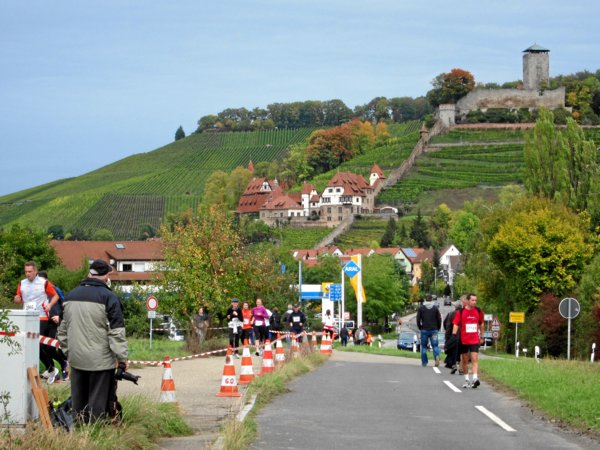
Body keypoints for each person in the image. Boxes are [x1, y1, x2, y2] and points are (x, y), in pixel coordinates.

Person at [57, 259, 128, 422]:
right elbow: (116, 332)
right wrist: (122, 359)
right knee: (98, 404)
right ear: (107, 276)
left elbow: (62, 330)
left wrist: (69, 352)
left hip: (76, 359)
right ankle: (95, 432)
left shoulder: (70, 296)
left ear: (89, 273)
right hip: (101, 362)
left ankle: (79, 430)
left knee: (78, 402)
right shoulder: (109, 297)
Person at [14, 261, 60, 383]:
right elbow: (18, 298)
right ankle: (50, 368)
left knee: (37, 343)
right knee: (31, 344)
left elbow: (56, 296)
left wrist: (50, 305)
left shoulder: (43, 283)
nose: (27, 274)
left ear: (35, 271)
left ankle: (51, 367)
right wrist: (17, 299)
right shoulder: (22, 283)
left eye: (30, 271)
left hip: (41, 316)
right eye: (26, 272)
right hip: (27, 316)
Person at [38, 270, 69, 382]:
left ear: (46, 280)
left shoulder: (54, 289)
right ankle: (50, 369)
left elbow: (65, 305)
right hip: (42, 322)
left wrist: (59, 317)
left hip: (53, 323)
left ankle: (63, 364)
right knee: (39, 348)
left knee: (50, 348)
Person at [451, 293, 484, 389]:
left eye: (475, 300)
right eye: (473, 300)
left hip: (474, 339)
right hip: (464, 340)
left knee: (474, 358)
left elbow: (481, 324)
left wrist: (482, 336)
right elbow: (455, 324)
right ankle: (466, 380)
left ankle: (475, 378)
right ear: (468, 301)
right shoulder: (461, 312)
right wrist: (454, 334)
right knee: (465, 360)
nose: (474, 302)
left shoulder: (478, 311)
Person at [416, 294, 442, 367]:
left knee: (424, 346)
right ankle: (436, 357)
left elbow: (418, 319)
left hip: (424, 329)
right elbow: (439, 319)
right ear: (431, 299)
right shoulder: (435, 308)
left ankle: (424, 362)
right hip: (434, 330)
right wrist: (438, 328)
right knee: (435, 346)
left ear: (425, 299)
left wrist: (420, 327)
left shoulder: (421, 308)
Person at [443, 297, 464, 373]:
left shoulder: (451, 314)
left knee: (453, 351)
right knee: (462, 352)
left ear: (455, 306)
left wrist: (447, 338)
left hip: (454, 336)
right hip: (463, 336)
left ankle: (454, 365)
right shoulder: (464, 313)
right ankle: (461, 368)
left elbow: (447, 326)